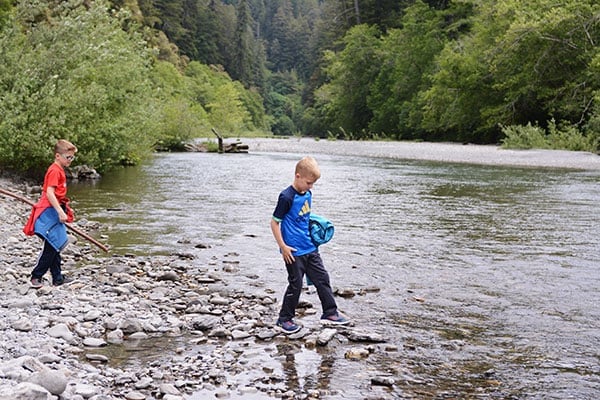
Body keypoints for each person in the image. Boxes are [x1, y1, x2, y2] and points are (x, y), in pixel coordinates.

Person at [270, 156, 350, 334]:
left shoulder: (308, 194)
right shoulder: (286, 197)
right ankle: (284, 319)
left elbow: (303, 217)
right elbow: (274, 223)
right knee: (295, 284)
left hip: (310, 247)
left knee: (323, 279)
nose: (311, 186)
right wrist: (283, 247)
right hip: (293, 251)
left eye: (313, 183)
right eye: (308, 182)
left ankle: (330, 312)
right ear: (298, 176)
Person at [24, 139, 77, 288]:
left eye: (72, 157)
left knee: (56, 244)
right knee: (52, 245)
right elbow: (49, 193)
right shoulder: (54, 170)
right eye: (68, 157)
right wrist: (60, 212)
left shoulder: (59, 169)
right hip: (48, 211)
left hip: (53, 210)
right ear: (58, 156)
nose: (70, 160)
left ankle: (57, 277)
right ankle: (36, 275)